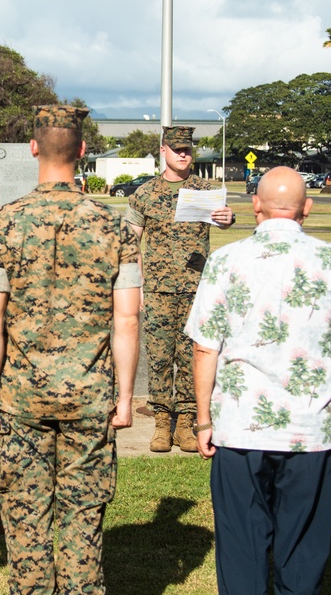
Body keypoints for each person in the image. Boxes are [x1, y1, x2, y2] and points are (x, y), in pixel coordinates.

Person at [0, 104, 141, 593]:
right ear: (83, 151)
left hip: (20, 398)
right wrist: (125, 397)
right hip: (91, 397)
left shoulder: (0, 225)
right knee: (82, 519)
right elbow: (126, 317)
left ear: (33, 149)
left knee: (26, 519)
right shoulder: (115, 230)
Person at [186, 166, 331, 594]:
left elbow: (204, 346)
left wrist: (202, 419)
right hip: (312, 431)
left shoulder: (226, 260)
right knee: (303, 548)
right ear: (307, 208)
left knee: (240, 547)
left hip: (240, 427)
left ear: (255, 207)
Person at [125, 126, 234, 452]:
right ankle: (161, 423)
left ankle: (186, 423)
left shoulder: (206, 190)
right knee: (158, 357)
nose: (183, 155)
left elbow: (223, 219)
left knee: (191, 357)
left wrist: (227, 217)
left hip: (196, 288)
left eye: (187, 150)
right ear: (163, 151)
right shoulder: (144, 194)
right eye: (177, 150)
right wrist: (138, 286)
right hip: (157, 290)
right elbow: (132, 242)